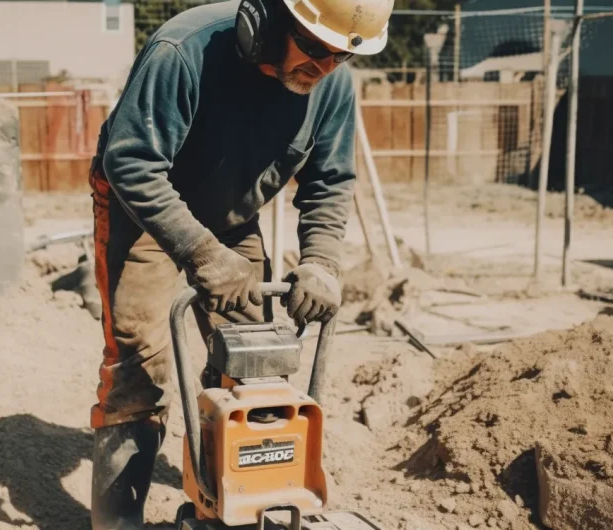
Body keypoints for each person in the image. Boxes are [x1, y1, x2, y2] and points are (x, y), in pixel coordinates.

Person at [87, 0, 394, 528]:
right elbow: (131, 161)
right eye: (317, 49)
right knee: (141, 364)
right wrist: (202, 255)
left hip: (231, 216)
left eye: (341, 57)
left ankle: (229, 501)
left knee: (255, 358)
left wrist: (320, 260)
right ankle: (117, 521)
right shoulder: (183, 52)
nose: (324, 68)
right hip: (142, 212)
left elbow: (329, 182)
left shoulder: (332, 85)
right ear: (271, 22)